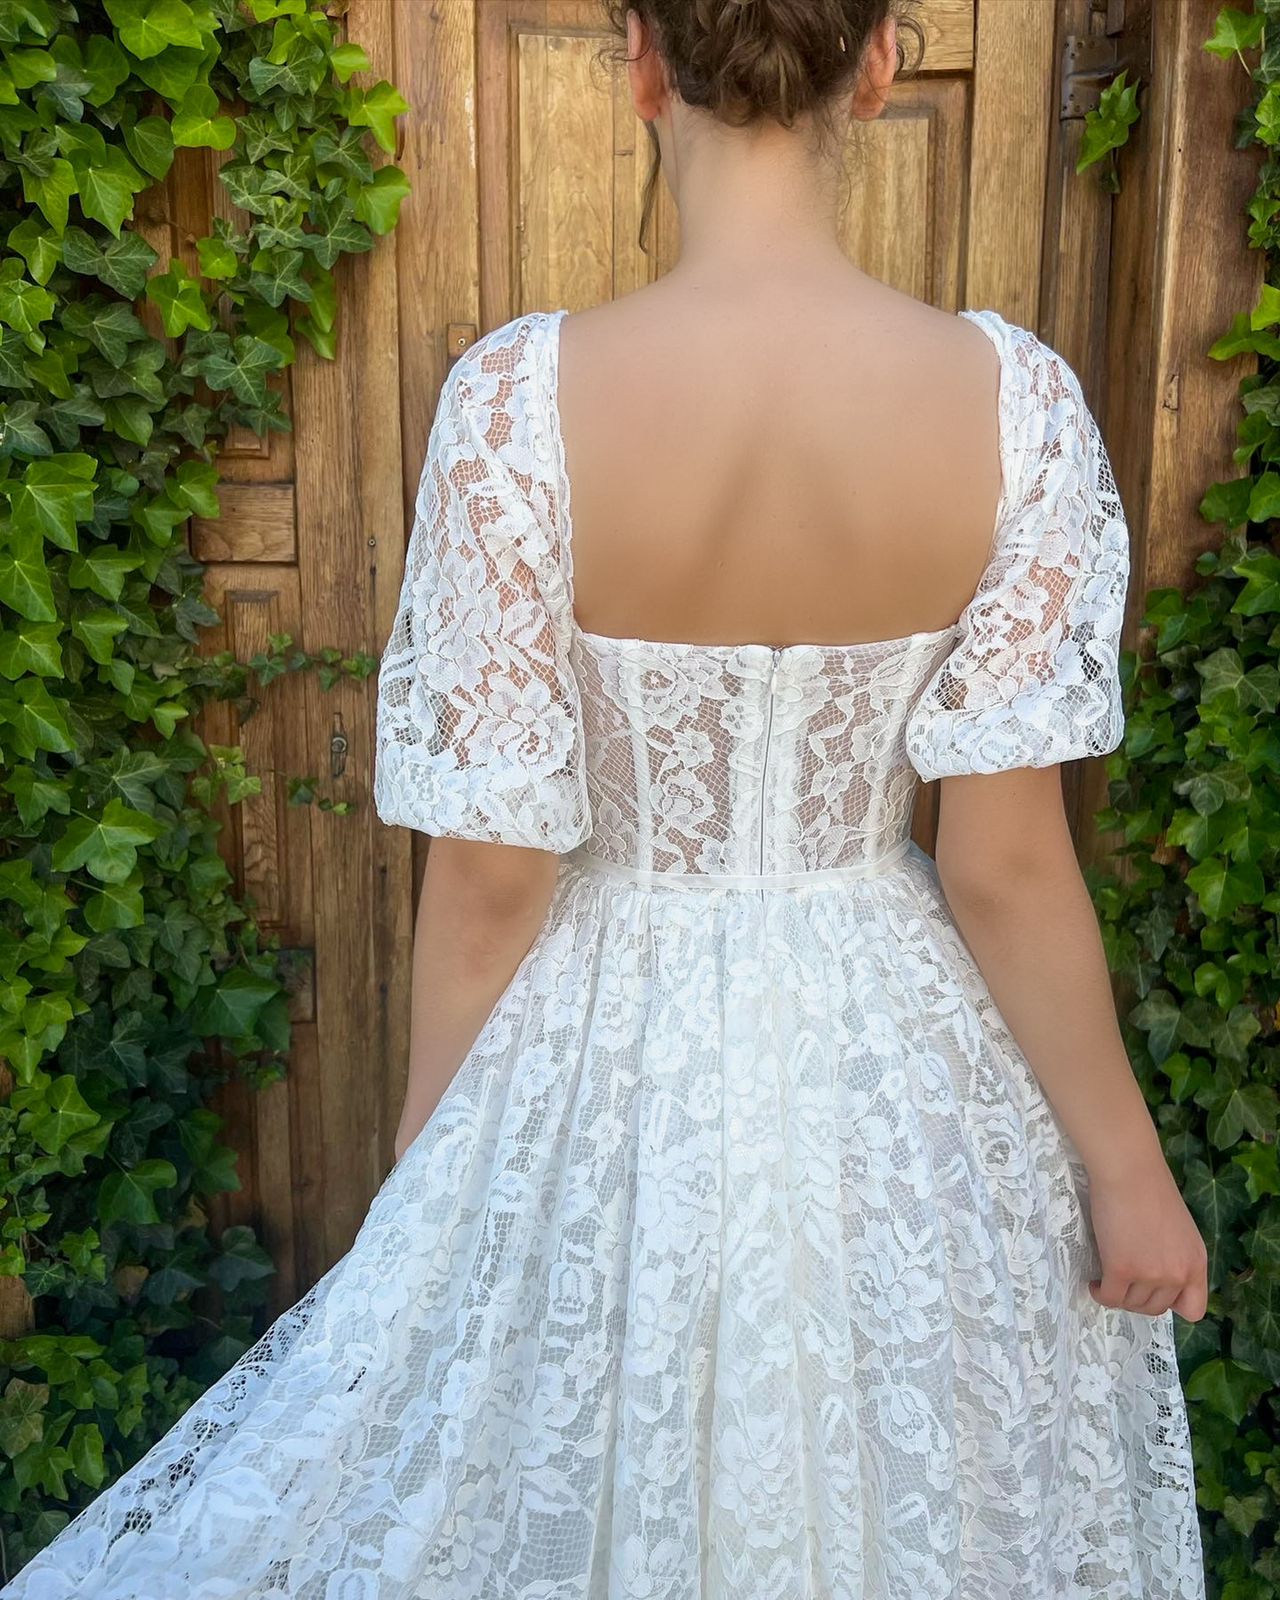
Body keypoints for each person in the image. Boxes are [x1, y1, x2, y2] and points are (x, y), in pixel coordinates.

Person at [4, 1, 1210, 1596]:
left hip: (601, 1050)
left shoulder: (518, 403)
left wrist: (433, 1198)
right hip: (899, 1068)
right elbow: (1004, 865)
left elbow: (495, 875)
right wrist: (1129, 1175)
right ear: (880, 63)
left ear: (641, 63)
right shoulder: (1018, 407)